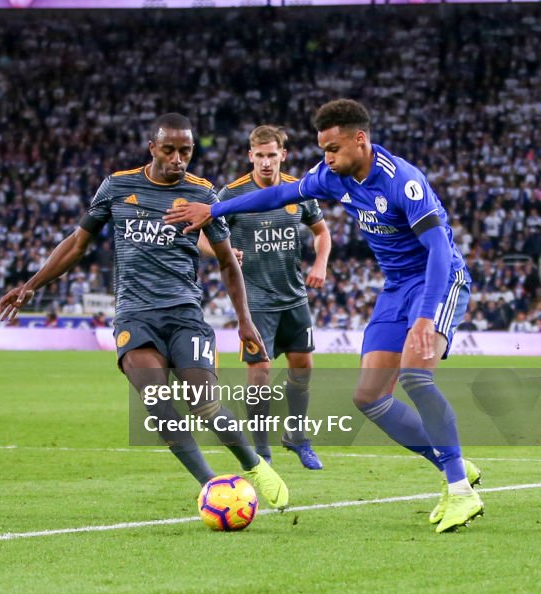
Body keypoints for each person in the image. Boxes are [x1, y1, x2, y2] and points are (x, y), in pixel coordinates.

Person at [164, 99, 481, 533]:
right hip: (395, 289)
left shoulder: (402, 181)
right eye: (322, 149)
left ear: (360, 139)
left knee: (414, 376)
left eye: (333, 148)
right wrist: (213, 210)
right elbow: (277, 194)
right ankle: (454, 463)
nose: (326, 158)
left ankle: (461, 490)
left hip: (437, 281)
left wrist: (426, 317)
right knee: (370, 397)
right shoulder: (332, 177)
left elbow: (441, 250)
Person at [0, 113, 290, 510]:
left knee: (204, 404)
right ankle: (214, 487)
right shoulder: (117, 187)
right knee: (157, 401)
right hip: (135, 315)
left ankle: (253, 464)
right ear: (152, 148)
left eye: (185, 150)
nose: (177, 158)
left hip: (185, 314)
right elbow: (77, 244)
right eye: (169, 149)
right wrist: (30, 285)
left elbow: (226, 261)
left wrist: (244, 321)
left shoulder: (202, 194)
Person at [199, 125, 332, 469]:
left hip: (294, 298)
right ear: (250, 156)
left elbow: (322, 232)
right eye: (260, 155)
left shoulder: (298, 190)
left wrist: (320, 261)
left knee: (303, 366)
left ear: (282, 155)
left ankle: (297, 436)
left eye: (272, 155)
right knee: (259, 372)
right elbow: (201, 235)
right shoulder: (231, 194)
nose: (266, 162)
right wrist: (224, 253)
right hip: (255, 301)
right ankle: (262, 451)